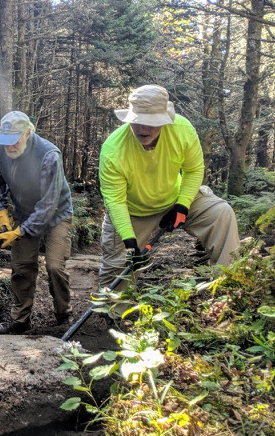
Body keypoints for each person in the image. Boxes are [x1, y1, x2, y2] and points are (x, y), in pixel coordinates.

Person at [98, 84, 240, 301]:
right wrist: (129, 242)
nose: (143, 129)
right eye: (137, 122)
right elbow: (115, 201)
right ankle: (114, 316)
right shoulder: (113, 150)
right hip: (132, 210)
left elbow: (194, 170)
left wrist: (182, 206)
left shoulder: (182, 130)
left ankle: (225, 291)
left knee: (222, 213)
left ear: (164, 120)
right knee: (117, 266)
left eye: (151, 123)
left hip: (175, 199)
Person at [0, 111, 74, 334]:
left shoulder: (48, 155)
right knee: (21, 266)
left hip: (56, 214)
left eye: (14, 141)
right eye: (5, 141)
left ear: (28, 133)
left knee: (54, 267)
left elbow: (48, 206)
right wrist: (1, 211)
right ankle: (20, 320)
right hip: (24, 211)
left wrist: (19, 232)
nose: (9, 147)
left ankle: (64, 314)